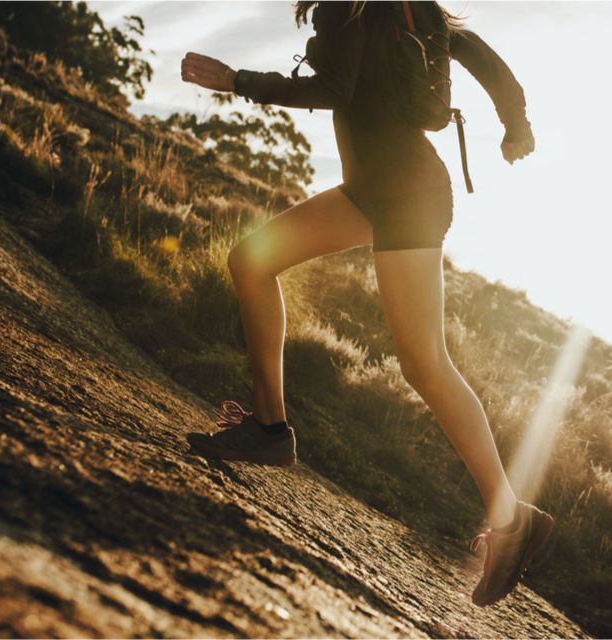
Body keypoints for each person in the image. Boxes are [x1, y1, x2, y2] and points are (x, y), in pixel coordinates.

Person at [181, 0, 551, 606]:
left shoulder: (353, 7)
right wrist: (517, 126)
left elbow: (333, 88)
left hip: (404, 194)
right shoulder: (406, 8)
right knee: (251, 260)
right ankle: (270, 430)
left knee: (424, 363)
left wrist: (238, 81)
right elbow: (483, 55)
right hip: (374, 189)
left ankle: (511, 519)